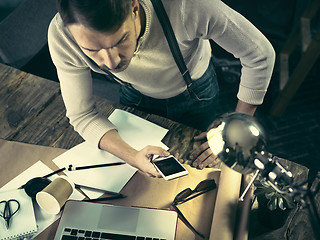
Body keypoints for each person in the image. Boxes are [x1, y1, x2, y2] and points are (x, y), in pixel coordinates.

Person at [48, 0, 275, 178]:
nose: (111, 62)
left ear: (134, 6)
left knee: (197, 164)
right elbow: (82, 115)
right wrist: (133, 156)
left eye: (119, 41)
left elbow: (260, 54)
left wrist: (237, 126)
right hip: (134, 95)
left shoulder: (187, 6)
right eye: (92, 50)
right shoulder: (62, 36)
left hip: (196, 93)